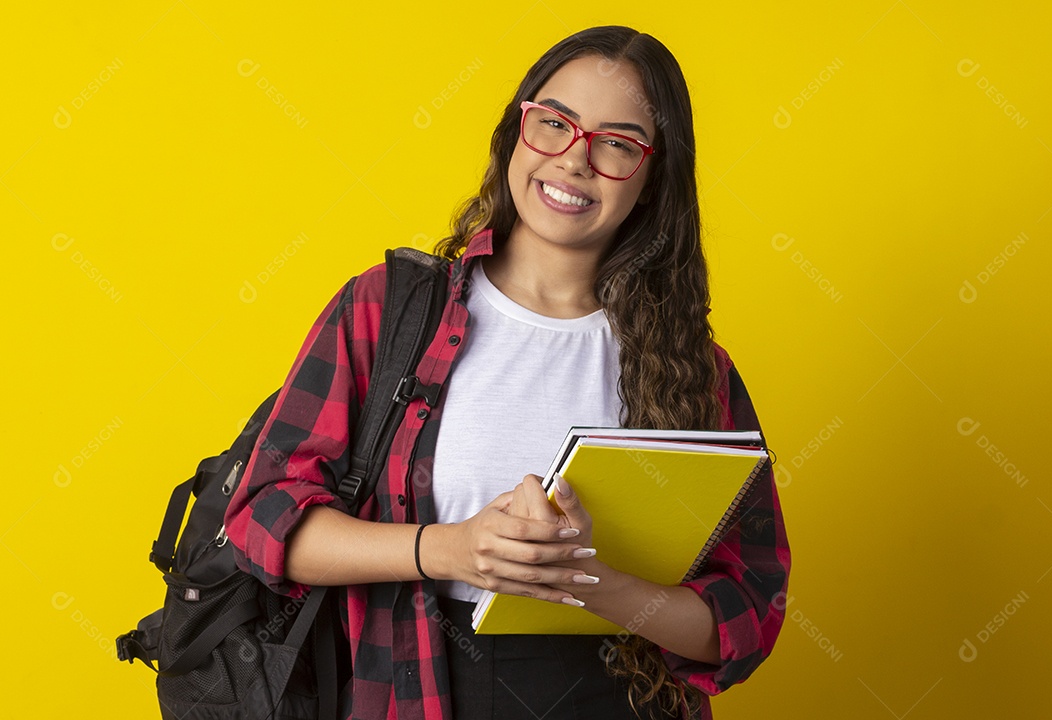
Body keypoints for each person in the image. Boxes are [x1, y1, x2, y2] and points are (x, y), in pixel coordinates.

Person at [224, 24, 790, 720]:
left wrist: (593, 581)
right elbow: (267, 519)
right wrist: (453, 550)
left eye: (616, 143)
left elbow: (748, 617)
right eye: (554, 123)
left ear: (650, 178)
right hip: (423, 687)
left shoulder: (695, 370)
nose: (574, 160)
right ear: (515, 134)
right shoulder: (390, 310)